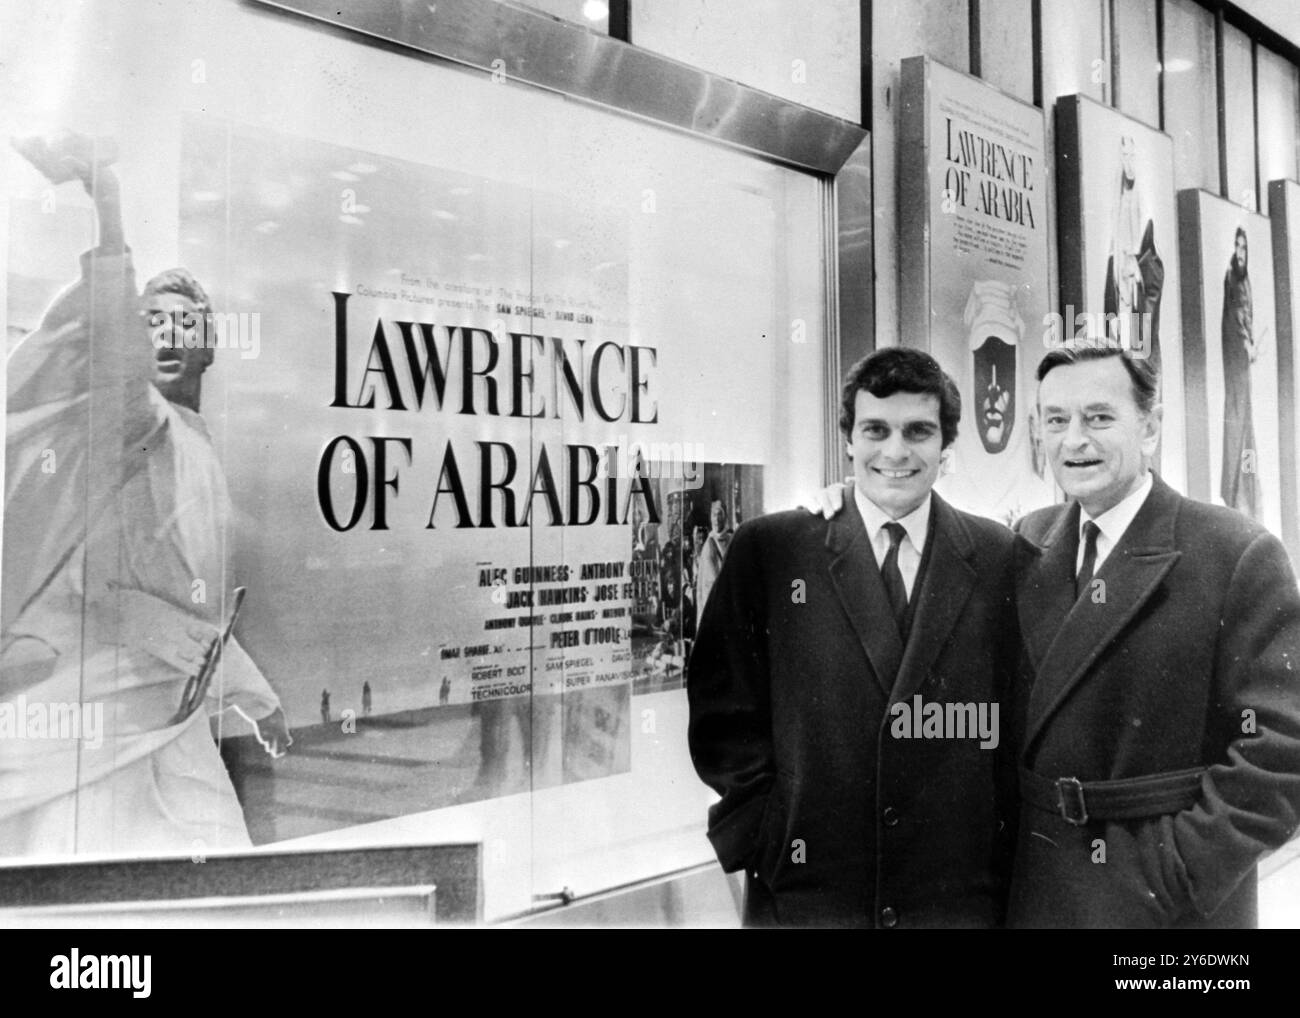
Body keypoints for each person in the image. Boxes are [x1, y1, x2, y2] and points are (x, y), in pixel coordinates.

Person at [1, 132, 288, 859]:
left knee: (210, 862)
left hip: (169, 712)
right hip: (110, 711)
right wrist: (110, 206)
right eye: (149, 322)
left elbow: (196, 613)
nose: (163, 336)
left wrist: (255, 699)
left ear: (209, 346)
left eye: (181, 324)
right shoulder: (137, 419)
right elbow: (112, 351)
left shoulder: (198, 447)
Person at [688, 347, 1019, 928]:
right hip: (811, 897)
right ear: (848, 439)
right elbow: (722, 716)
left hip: (949, 901)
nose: (895, 451)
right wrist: (768, 833)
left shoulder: (997, 558)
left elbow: (1012, 724)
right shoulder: (774, 549)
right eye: (876, 430)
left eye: (918, 430)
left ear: (946, 444)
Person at [1010, 345, 1300, 927]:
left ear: (1150, 428)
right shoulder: (1028, 540)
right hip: (1042, 887)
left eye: (1098, 417)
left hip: (1168, 904)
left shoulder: (1235, 551)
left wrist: (1173, 874)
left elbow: (1281, 752)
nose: (1074, 440)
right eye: (1056, 420)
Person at [1103, 136, 1163, 370]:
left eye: (1132, 156)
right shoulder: (1118, 199)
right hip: (1122, 279)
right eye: (1124, 156)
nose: (1128, 163)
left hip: (1136, 282)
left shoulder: (1142, 204)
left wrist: (1135, 263)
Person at [1220, 227, 1262, 520]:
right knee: (1237, 415)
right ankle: (1235, 492)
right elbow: (1234, 317)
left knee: (1246, 419)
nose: (1240, 252)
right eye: (1237, 247)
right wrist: (1245, 345)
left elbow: (1247, 315)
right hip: (1236, 358)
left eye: (1243, 248)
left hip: (1244, 358)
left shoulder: (1245, 280)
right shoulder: (1232, 278)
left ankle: (1245, 493)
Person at [693, 499, 732, 627]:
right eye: (714, 515)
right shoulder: (708, 545)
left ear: (725, 516)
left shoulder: (732, 540)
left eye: (720, 514)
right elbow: (706, 583)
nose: (717, 519)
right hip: (714, 604)